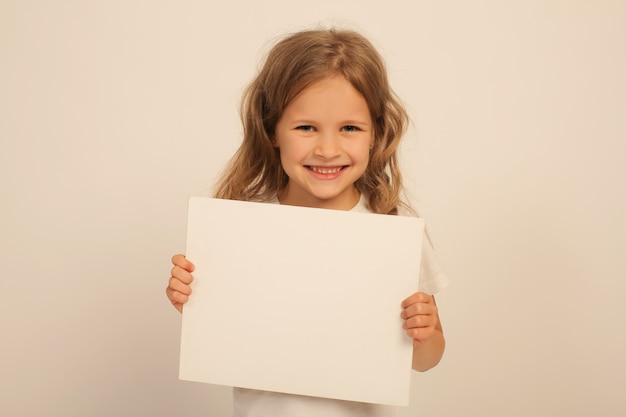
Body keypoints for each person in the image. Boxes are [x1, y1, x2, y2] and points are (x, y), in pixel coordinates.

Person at [166, 28, 449, 417]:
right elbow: (226, 332)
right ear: (272, 132)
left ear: (376, 134)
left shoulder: (393, 231)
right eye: (306, 127)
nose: (328, 149)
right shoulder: (240, 227)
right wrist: (196, 301)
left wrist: (425, 332)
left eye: (349, 128)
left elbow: (426, 359)